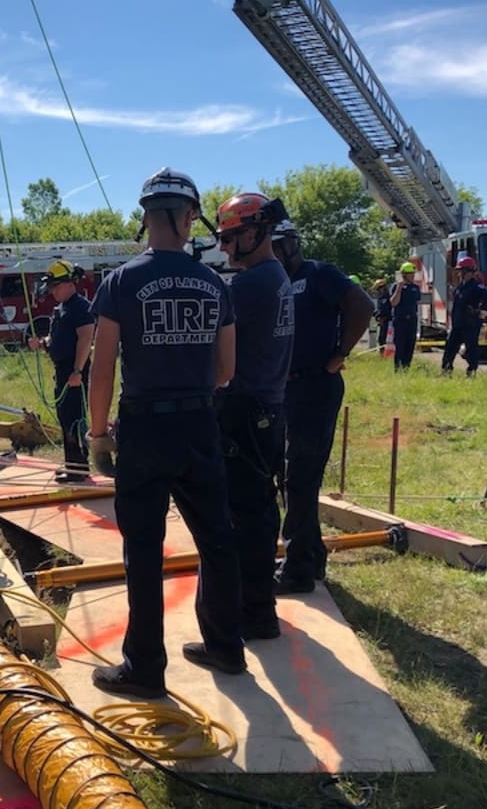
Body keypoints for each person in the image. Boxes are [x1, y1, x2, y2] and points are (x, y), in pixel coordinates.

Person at [87, 168, 245, 698]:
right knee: (217, 538)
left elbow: (102, 366)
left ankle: (146, 668)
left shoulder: (121, 281)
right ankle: (226, 645)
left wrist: (96, 435)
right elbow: (227, 369)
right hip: (199, 423)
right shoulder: (215, 283)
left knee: (144, 550)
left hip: (144, 427)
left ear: (146, 217)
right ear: (187, 218)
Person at [271, 222, 373, 594]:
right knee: (291, 478)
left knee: (300, 476)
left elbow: (362, 305)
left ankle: (297, 570)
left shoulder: (318, 274)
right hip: (286, 388)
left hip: (315, 384)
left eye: (279, 247)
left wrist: (339, 354)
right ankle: (310, 556)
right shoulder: (275, 282)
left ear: (290, 246)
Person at [213, 193, 295, 640]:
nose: (224, 248)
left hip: (245, 410)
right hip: (267, 407)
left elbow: (212, 343)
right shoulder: (274, 275)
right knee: (259, 510)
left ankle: (254, 612)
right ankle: (258, 606)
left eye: (230, 238)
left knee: (243, 514)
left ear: (258, 231)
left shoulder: (250, 286)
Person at [27, 259, 95, 483]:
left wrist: (77, 370)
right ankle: (72, 464)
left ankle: (79, 468)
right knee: (65, 418)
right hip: (63, 371)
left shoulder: (80, 307)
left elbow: (86, 338)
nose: (52, 291)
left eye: (55, 286)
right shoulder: (61, 309)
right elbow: (57, 338)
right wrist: (43, 342)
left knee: (75, 419)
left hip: (74, 372)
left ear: (69, 283)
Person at [441, 255, 487, 376]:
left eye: (462, 271)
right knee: (450, 347)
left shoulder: (476, 286)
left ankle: (472, 370)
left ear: (469, 272)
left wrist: (483, 311)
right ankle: (446, 370)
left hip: (470, 323)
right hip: (458, 323)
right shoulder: (461, 286)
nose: (459, 273)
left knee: (471, 348)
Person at [390, 261, 422, 371]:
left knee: (410, 346)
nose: (412, 276)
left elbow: (417, 300)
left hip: (412, 320)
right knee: (400, 346)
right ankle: (397, 368)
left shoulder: (415, 288)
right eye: (410, 274)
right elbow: (394, 302)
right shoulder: (396, 286)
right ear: (404, 275)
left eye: (413, 273)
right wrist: (399, 289)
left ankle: (406, 368)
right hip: (400, 320)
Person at [373, 277, 393, 348]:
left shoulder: (387, 297)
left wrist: (383, 317)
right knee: (381, 338)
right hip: (382, 321)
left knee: (386, 338)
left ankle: (386, 353)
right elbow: (379, 309)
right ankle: (382, 352)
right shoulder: (380, 297)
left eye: (379, 289)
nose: (378, 291)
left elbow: (387, 309)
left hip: (387, 321)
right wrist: (377, 316)